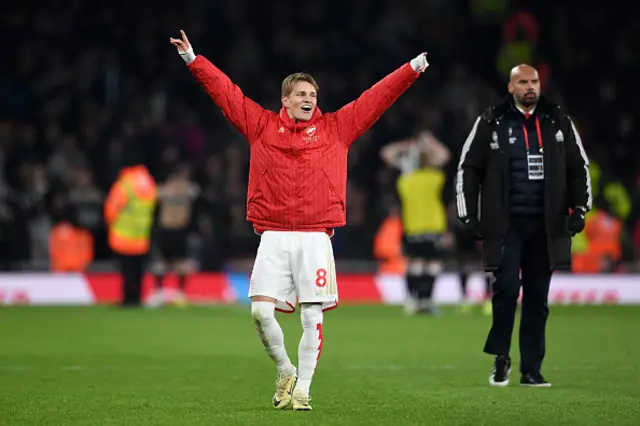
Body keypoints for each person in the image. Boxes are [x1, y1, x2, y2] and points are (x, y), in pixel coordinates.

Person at [170, 29, 428, 410]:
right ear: (285, 100)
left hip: (314, 238)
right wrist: (194, 59)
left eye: (313, 95)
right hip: (273, 235)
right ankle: (286, 368)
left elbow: (375, 99)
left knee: (311, 316)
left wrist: (410, 69)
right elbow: (226, 93)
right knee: (259, 312)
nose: (309, 100)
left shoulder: (336, 129)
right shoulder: (260, 126)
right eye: (302, 95)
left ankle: (304, 389)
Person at [456, 64, 591, 387]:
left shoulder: (558, 121)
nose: (530, 87)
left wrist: (580, 208)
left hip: (545, 225)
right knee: (506, 291)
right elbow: (467, 168)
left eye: (534, 81)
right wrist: (468, 215)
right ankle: (501, 358)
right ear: (511, 87)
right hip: (506, 225)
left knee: (537, 299)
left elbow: (579, 167)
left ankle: (531, 369)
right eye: (523, 82)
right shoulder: (491, 122)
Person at [382, 131, 451, 314]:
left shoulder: (406, 180)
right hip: (433, 226)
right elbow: (444, 155)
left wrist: (405, 145)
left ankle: (416, 301)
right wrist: (429, 140)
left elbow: (386, 153)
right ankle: (426, 301)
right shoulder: (435, 178)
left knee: (416, 265)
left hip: (414, 227)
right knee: (431, 265)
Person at [104, 159, 157, 307]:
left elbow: (112, 208)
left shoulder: (125, 184)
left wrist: (110, 224)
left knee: (126, 270)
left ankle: (128, 299)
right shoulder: (149, 182)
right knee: (138, 270)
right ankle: (137, 297)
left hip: (123, 235)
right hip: (142, 235)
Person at [148, 164, 199, 307]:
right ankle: (158, 293)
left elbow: (195, 192)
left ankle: (181, 294)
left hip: (181, 231)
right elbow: (154, 194)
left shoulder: (189, 190)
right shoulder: (162, 191)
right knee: (160, 263)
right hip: (165, 230)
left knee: (181, 263)